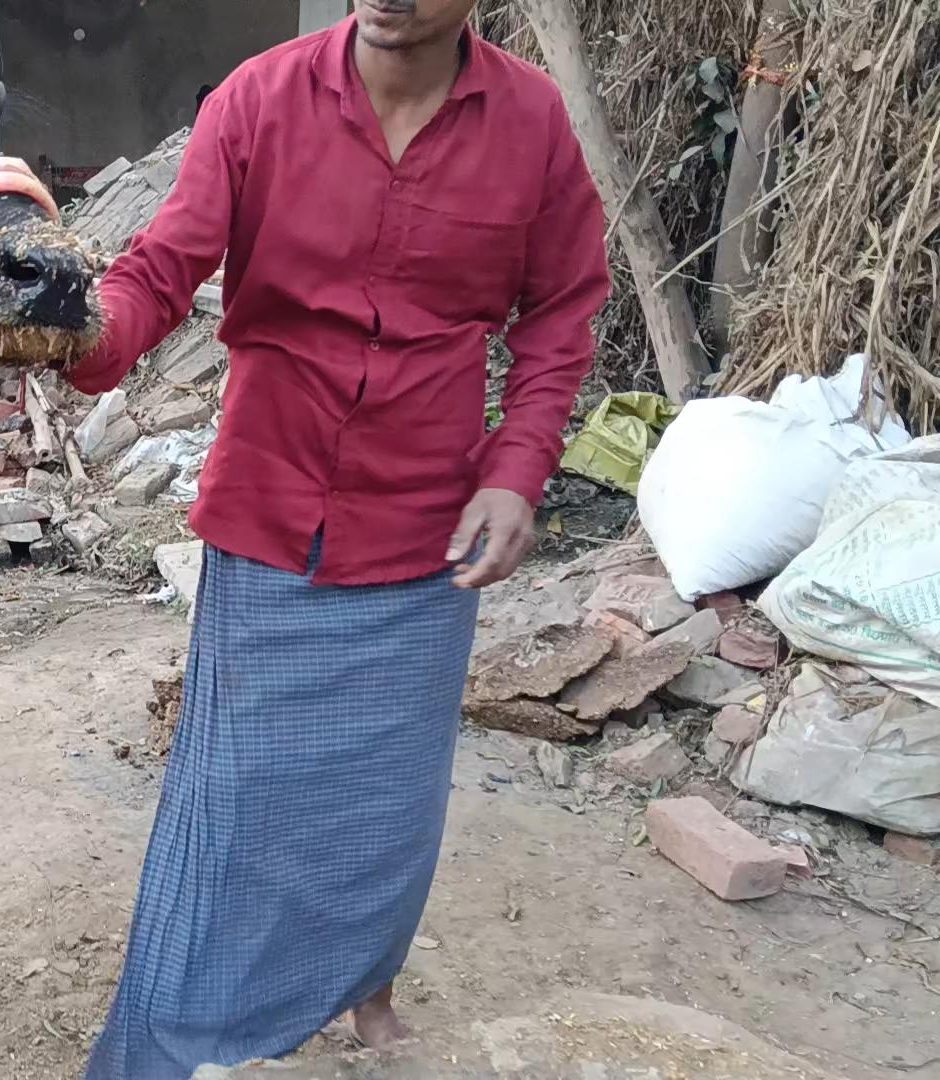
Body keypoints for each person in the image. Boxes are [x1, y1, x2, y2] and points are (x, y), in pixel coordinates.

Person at [73, 1, 610, 1076]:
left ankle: (368, 995)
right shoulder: (259, 99)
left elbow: (562, 312)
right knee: (234, 806)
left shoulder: (533, 123)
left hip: (426, 525)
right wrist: (81, 332)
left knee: (385, 805)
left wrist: (517, 472)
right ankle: (189, 1037)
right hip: (272, 509)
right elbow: (161, 269)